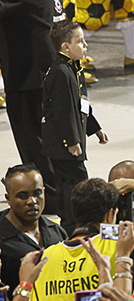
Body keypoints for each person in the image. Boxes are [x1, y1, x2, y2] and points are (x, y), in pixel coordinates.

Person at [0, 0, 65, 215]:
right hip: (52, 67)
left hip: (27, 75)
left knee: (33, 141)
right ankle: (58, 191)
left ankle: (48, 197)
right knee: (54, 136)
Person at [42, 20, 108, 234]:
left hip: (70, 139)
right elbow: (64, 111)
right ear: (65, 47)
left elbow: (82, 105)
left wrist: (95, 128)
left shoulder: (74, 68)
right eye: (79, 41)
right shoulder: (62, 72)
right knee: (78, 183)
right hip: (63, 141)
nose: (85, 45)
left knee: (67, 183)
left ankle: (69, 224)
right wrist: (71, 141)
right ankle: (76, 226)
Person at [0, 164, 66, 298]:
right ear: (8, 199)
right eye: (22, 196)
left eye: (37, 193)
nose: (32, 201)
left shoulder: (57, 232)